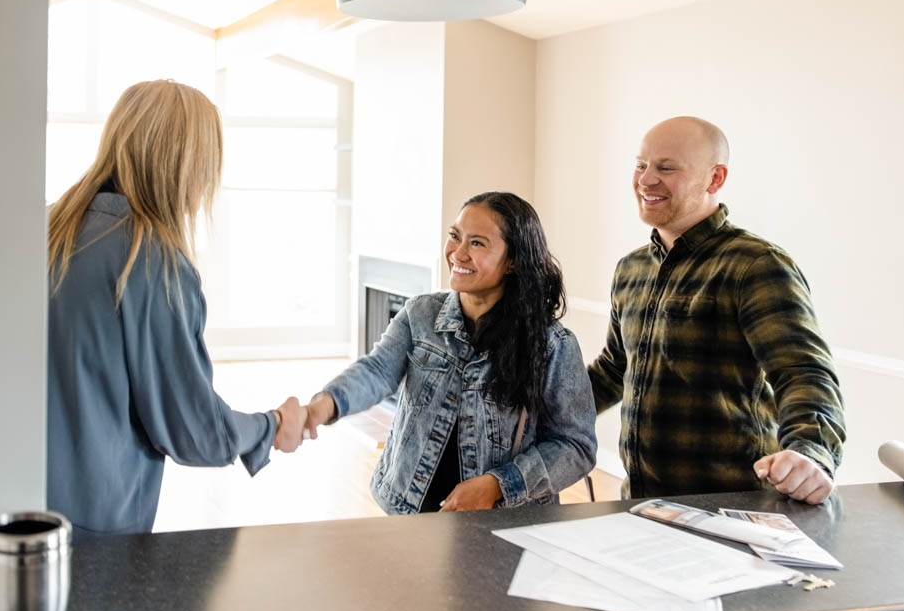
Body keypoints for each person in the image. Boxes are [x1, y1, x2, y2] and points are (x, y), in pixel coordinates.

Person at [46, 79, 305, 535]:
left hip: (13, 505)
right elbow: (194, 430)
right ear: (188, 165)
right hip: (96, 533)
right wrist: (273, 424)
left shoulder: (49, 227)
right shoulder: (148, 260)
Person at [589, 117, 845, 505]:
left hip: (733, 508)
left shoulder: (755, 265)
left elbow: (803, 372)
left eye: (666, 167)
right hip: (644, 504)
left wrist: (811, 452)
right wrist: (535, 414)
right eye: (641, 165)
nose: (645, 180)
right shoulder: (631, 268)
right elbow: (613, 368)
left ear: (715, 179)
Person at [301, 192, 597, 514]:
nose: (457, 252)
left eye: (477, 243)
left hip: (502, 524)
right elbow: (376, 371)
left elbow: (575, 446)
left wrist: (498, 485)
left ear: (512, 261)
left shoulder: (553, 346)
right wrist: (324, 405)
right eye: (455, 236)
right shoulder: (420, 314)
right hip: (409, 511)